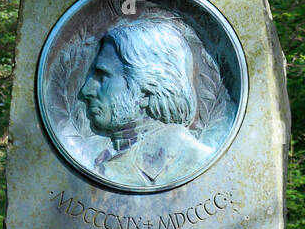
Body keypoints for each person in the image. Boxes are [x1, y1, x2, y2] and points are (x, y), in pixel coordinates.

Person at [80, 19, 211, 188]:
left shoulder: (193, 159)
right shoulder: (91, 154)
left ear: (147, 89)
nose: (86, 90)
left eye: (102, 75)